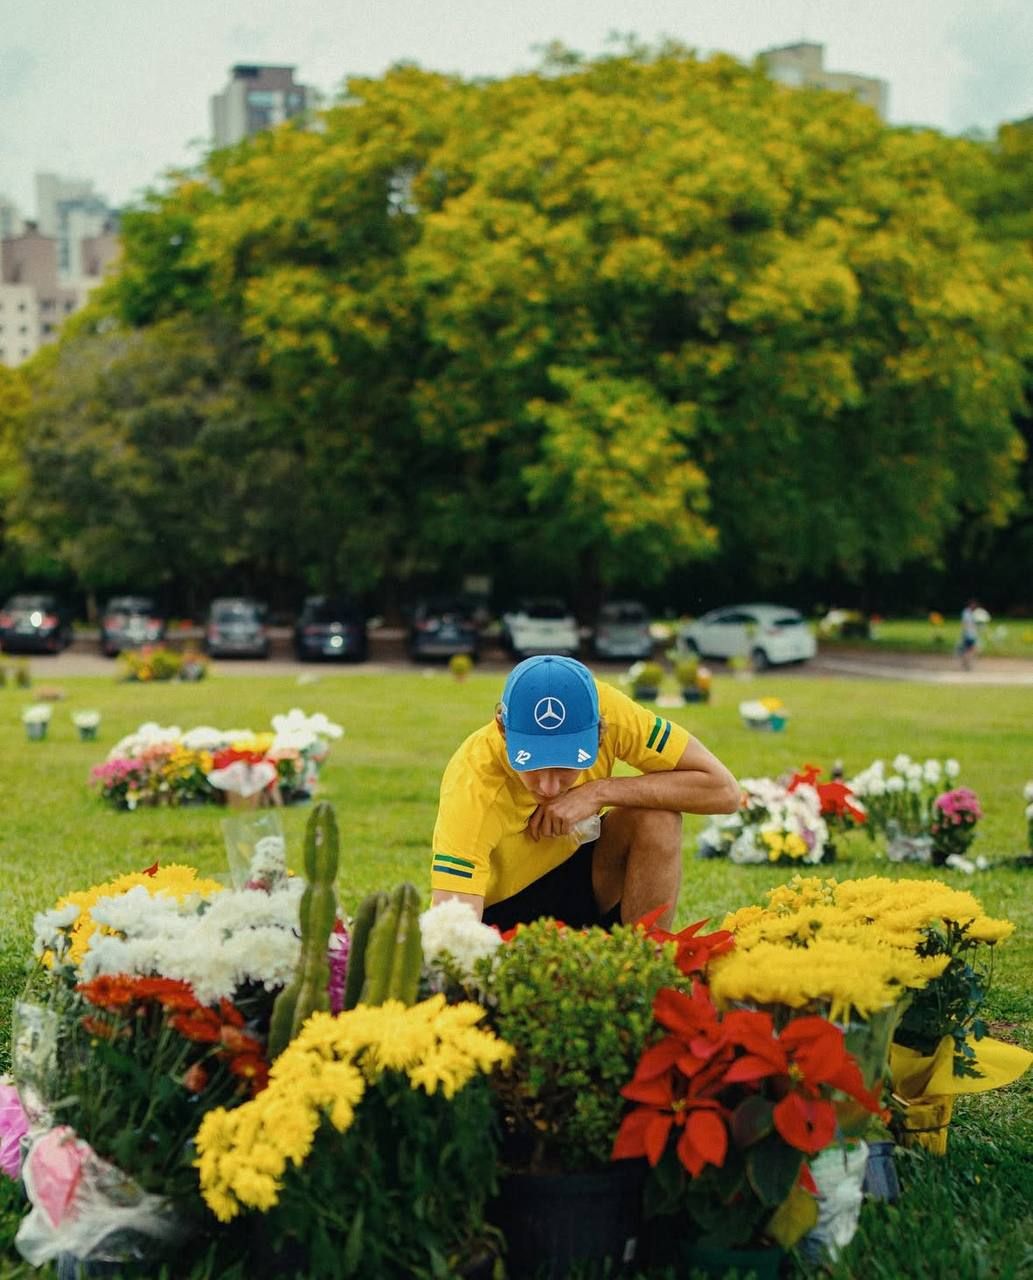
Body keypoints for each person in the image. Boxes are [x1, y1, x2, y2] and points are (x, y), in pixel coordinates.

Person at [430, 654, 740, 932]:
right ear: (502, 731)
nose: (549, 787)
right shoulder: (472, 782)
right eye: (532, 764)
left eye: (566, 765)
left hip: (584, 881)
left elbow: (723, 791)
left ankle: (648, 971)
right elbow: (453, 932)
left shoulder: (609, 711)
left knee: (657, 816)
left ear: (601, 731)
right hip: (502, 917)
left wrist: (599, 791)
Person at [957, 600, 982, 671]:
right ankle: (966, 664)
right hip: (968, 635)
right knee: (970, 650)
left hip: (973, 634)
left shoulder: (974, 613)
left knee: (971, 650)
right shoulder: (966, 613)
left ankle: (965, 663)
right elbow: (965, 623)